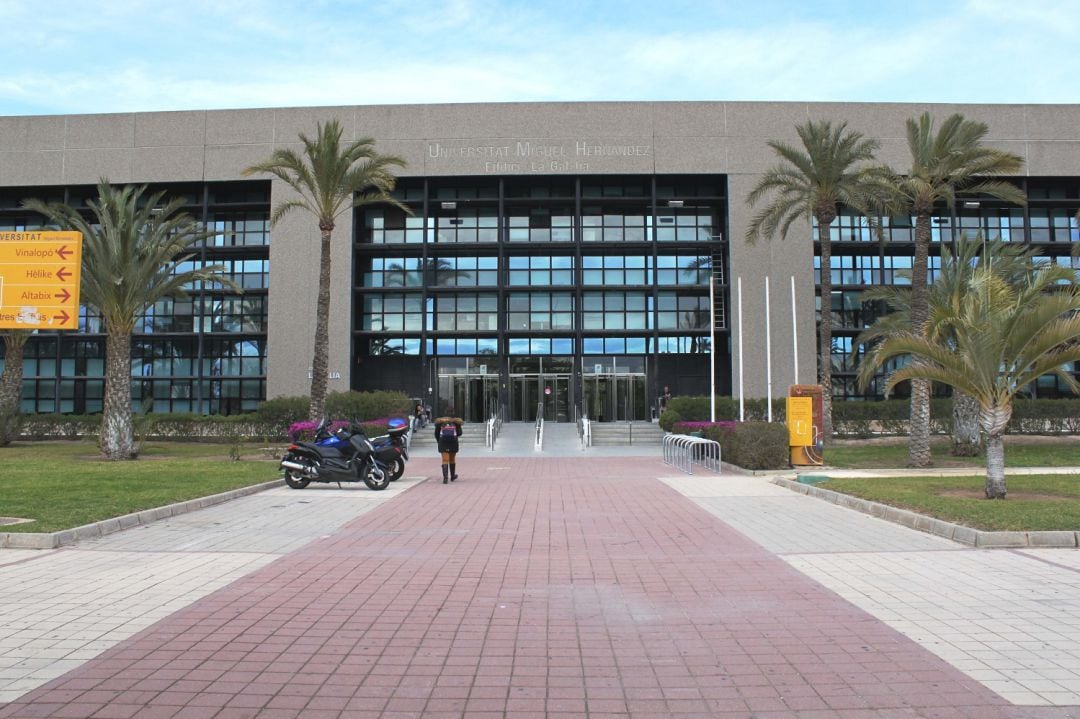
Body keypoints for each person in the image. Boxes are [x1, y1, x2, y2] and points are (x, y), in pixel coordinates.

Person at [433, 407, 463, 484]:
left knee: (445, 460)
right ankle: (452, 476)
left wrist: (439, 441)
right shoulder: (456, 421)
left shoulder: (440, 422)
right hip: (453, 442)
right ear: (453, 413)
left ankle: (445, 478)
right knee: (452, 459)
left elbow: (436, 433)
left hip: (443, 442)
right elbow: (459, 433)